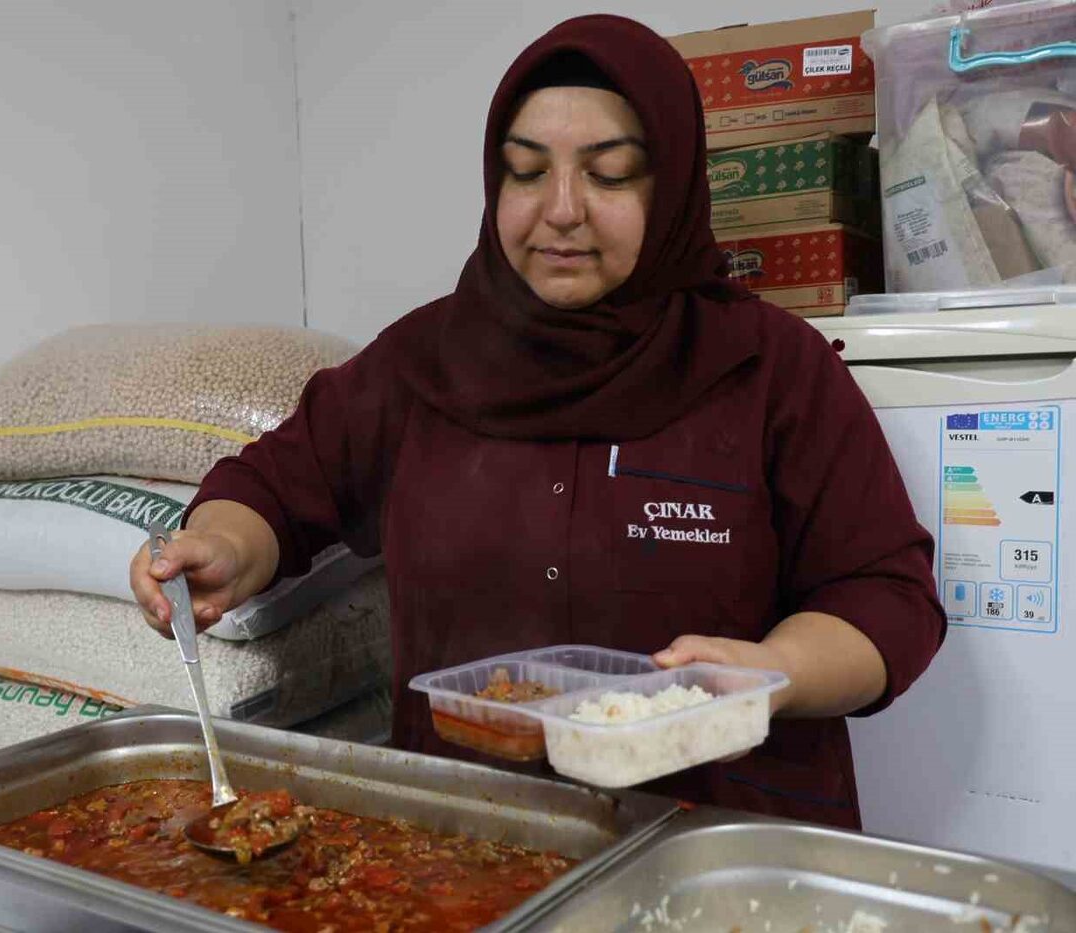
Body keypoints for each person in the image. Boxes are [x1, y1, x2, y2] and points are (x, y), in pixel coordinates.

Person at [130, 15, 945, 829]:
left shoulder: (772, 367)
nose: (561, 210)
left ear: (673, 186)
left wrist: (773, 672)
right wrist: (227, 545)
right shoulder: (422, 362)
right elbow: (274, 485)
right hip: (465, 845)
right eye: (526, 172)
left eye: (611, 174)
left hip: (722, 851)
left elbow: (887, 598)